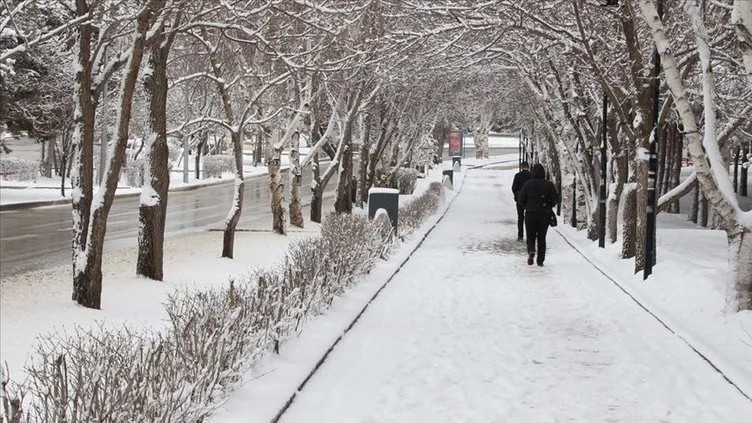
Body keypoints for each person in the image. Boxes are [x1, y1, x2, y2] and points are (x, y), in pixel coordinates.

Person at [518, 163, 559, 266]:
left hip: (530, 214)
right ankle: (540, 260)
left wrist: (526, 206)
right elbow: (555, 200)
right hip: (544, 214)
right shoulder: (549, 185)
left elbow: (521, 199)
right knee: (542, 237)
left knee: (530, 236)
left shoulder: (528, 184)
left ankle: (531, 250)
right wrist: (548, 205)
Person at [511, 162, 531, 241]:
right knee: (529, 218)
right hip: (530, 199)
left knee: (520, 218)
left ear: (521, 167)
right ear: (528, 167)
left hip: (520, 199)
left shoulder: (517, 176)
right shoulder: (531, 176)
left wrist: (516, 196)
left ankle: (520, 235)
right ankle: (530, 235)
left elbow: (513, 187)